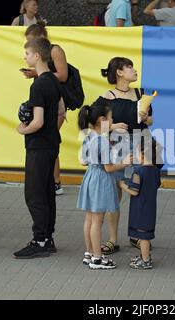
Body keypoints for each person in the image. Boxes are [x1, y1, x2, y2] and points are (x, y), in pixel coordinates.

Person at [96, 57, 154, 255]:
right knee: (116, 194)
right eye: (129, 67)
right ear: (119, 72)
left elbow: (151, 120)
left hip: (140, 145)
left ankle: (138, 235)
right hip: (117, 148)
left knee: (139, 191)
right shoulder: (107, 97)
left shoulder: (141, 93)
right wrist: (112, 126)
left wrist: (147, 118)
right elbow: (93, 124)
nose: (134, 70)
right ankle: (113, 239)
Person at [14, 37, 62, 259]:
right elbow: (60, 112)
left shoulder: (39, 84)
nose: (25, 57)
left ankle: (39, 240)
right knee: (46, 191)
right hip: (52, 143)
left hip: (39, 146)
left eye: (27, 53)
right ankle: (48, 237)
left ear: (37, 56)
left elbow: (38, 121)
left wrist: (21, 130)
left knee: (34, 194)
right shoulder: (53, 81)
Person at [77, 101, 130, 269]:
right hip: (100, 179)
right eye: (110, 118)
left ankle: (90, 252)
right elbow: (109, 168)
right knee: (98, 221)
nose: (112, 120)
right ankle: (98, 258)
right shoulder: (103, 142)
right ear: (102, 120)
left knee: (90, 218)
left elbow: (84, 161)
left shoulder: (89, 136)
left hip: (90, 176)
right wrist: (125, 162)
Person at [22, 23, 68, 196]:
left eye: (31, 42)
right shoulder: (43, 79)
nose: (29, 50)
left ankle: (55, 181)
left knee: (48, 141)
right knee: (49, 141)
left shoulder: (54, 51)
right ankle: (53, 181)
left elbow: (62, 75)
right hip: (48, 99)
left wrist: (37, 74)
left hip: (53, 101)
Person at [119, 138, 161, 269]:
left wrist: (122, 185)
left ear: (142, 154)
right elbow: (157, 185)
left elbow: (134, 191)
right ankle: (144, 256)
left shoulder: (138, 172)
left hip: (140, 208)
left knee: (143, 236)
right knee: (146, 235)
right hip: (150, 207)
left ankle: (145, 260)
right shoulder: (155, 170)